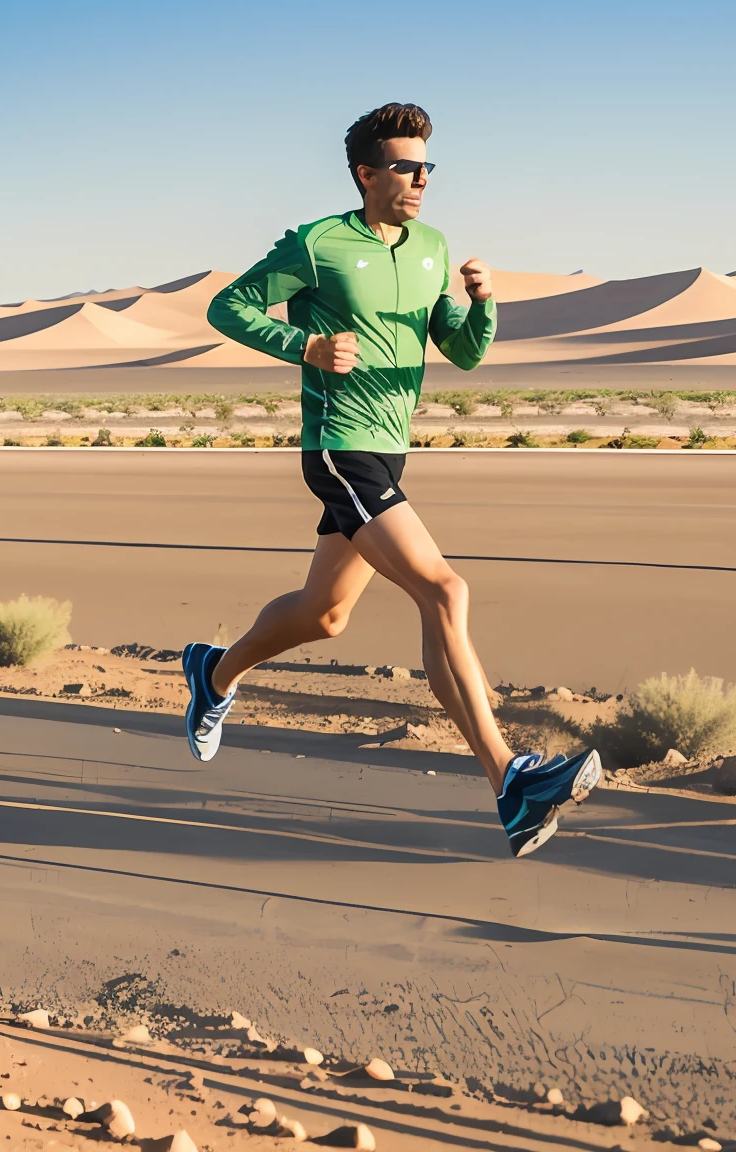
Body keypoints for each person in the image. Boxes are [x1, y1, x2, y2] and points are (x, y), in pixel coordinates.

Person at [189, 102, 599, 857]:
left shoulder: (433, 247)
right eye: (406, 167)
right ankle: (511, 781)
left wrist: (483, 304)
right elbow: (229, 306)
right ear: (366, 173)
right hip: (340, 448)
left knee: (325, 615)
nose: (420, 180)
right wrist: (303, 345)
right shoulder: (319, 244)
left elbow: (462, 349)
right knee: (445, 590)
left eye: (426, 168)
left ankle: (215, 674)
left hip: (390, 446)